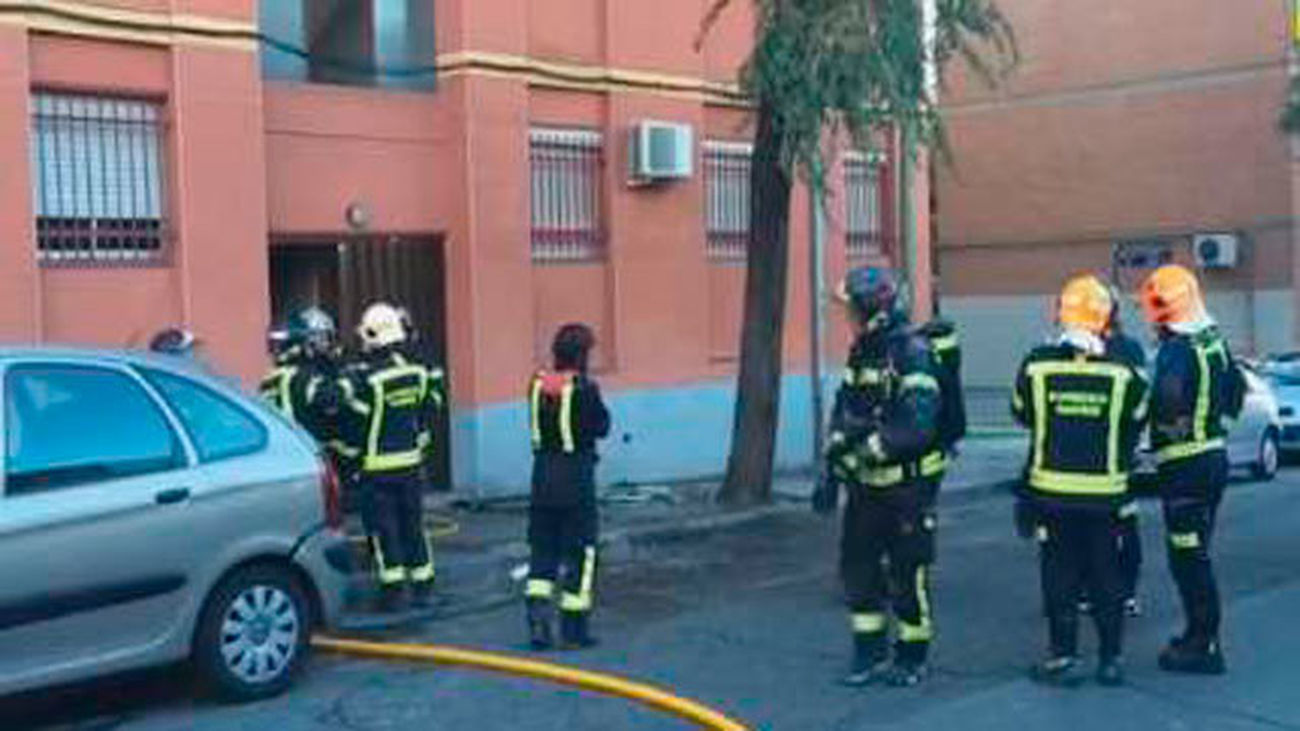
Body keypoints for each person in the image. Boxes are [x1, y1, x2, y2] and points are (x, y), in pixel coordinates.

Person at [1012, 274, 1148, 687]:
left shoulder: (1036, 365)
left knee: (1058, 576)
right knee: (1106, 577)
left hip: (1050, 495)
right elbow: (1137, 421)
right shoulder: (1123, 375)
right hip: (1104, 497)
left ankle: (1063, 657)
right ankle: (1110, 660)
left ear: (1062, 314)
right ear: (1105, 318)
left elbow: (1021, 413)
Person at [813, 266, 945, 688]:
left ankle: (911, 657)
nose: (846, 316)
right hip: (867, 489)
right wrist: (834, 462)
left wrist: (868, 450)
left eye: (852, 308)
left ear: (875, 310)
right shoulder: (863, 352)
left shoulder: (912, 352)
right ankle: (868, 654)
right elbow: (846, 406)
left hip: (906, 489)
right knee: (859, 570)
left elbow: (919, 424)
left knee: (908, 574)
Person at [1139, 265, 1244, 675]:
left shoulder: (1178, 349)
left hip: (1185, 468)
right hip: (1210, 460)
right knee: (1195, 553)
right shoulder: (1213, 342)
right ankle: (1196, 634)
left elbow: (1167, 398)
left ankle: (1204, 645)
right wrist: (1216, 430)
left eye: (1156, 306)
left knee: (1189, 559)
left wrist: (1157, 434)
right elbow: (1235, 392)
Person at [338, 302, 446, 611]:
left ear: (372, 335)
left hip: (377, 469)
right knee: (414, 526)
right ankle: (424, 587)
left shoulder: (368, 379)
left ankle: (393, 592)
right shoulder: (416, 372)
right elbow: (427, 408)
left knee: (384, 531)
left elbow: (356, 423)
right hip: (411, 465)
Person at [524, 323, 611, 651]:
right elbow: (602, 426)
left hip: (542, 478)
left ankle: (537, 618)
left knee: (542, 551)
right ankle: (574, 628)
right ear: (582, 355)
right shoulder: (586, 389)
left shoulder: (537, 385)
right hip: (576, 482)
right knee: (581, 552)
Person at [1078, 287, 1147, 618]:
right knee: (1106, 526)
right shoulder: (1122, 349)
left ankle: (1122, 591)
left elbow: (1138, 402)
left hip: (1113, 454)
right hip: (1105, 454)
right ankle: (1099, 591)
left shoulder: (1125, 350)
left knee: (1120, 526)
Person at [259, 307, 345, 454]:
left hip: (288, 456)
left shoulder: (268, 381)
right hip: (313, 454)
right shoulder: (304, 379)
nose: (327, 346)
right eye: (324, 339)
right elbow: (335, 404)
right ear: (308, 343)